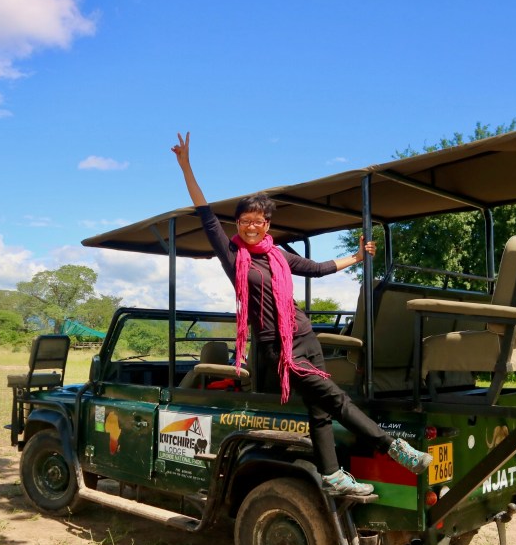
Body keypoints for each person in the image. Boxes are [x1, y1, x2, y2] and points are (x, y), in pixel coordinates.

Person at [171, 132, 432, 496]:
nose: (251, 226)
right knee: (335, 398)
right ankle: (391, 446)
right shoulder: (233, 257)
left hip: (306, 338)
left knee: (320, 410)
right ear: (237, 224)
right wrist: (186, 166)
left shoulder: (278, 256)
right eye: (245, 220)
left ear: (267, 225)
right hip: (279, 347)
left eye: (258, 221)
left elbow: (318, 268)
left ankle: (332, 475)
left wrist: (356, 257)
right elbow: (205, 214)